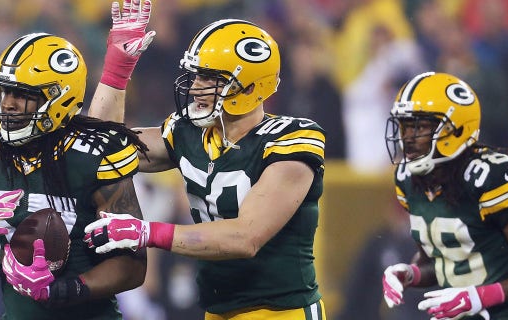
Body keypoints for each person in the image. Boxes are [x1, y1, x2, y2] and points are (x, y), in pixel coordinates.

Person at [85, 1, 328, 319]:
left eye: (209, 78)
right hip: (217, 310)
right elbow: (102, 149)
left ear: (252, 86)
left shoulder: (289, 141)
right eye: (195, 76)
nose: (196, 88)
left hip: (282, 311)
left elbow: (245, 237)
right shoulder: (188, 131)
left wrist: (148, 232)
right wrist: (118, 68)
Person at [0, 26, 153, 319]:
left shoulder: (93, 154)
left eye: (21, 94)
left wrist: (67, 289)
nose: (7, 104)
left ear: (59, 100)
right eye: (3, 91)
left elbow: (133, 267)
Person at [381, 71, 508, 319]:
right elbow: (440, 261)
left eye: (420, 127)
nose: (408, 138)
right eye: (405, 126)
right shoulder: (409, 180)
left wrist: (482, 296)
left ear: (455, 128)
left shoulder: (488, 180)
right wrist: (411, 273)